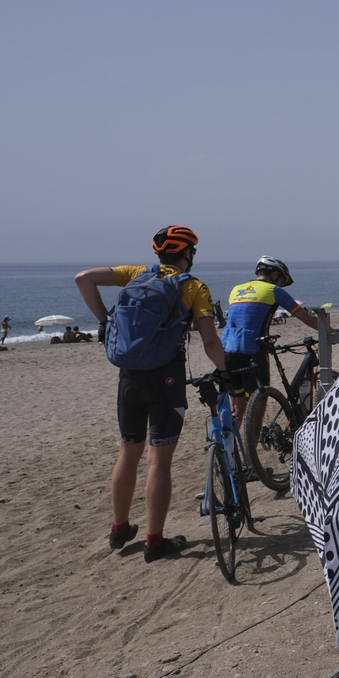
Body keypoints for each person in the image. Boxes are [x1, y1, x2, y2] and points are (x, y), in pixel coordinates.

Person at [75, 225, 227, 562]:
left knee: (127, 453)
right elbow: (210, 341)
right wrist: (225, 369)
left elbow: (83, 278)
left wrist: (104, 321)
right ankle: (154, 542)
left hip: (128, 377)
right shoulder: (193, 287)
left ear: (159, 253)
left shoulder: (135, 274)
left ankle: (119, 528)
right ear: (188, 253)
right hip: (165, 379)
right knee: (159, 461)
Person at [223, 257, 319, 437]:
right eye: (282, 280)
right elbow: (308, 319)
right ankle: (250, 453)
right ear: (275, 275)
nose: (281, 284)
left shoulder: (236, 290)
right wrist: (331, 330)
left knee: (238, 404)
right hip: (254, 351)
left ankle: (231, 450)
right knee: (258, 402)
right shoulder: (274, 290)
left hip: (227, 351)